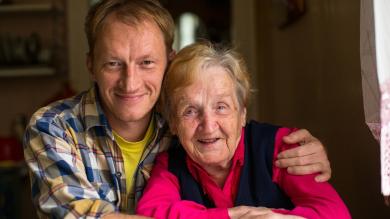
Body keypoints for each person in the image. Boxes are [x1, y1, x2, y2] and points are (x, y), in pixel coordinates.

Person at [24, 0, 330, 218]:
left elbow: (231, 127)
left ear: (169, 61)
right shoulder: (54, 126)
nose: (130, 82)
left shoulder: (185, 118)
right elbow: (79, 217)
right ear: (91, 65)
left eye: (146, 63)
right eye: (113, 64)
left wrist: (304, 153)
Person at [136, 41, 351, 219]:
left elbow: (336, 214)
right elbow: (150, 213)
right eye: (190, 111)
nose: (209, 125)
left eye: (221, 107)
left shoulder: (280, 146)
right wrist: (232, 216)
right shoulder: (169, 164)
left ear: (243, 114)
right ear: (173, 122)